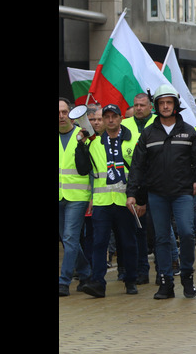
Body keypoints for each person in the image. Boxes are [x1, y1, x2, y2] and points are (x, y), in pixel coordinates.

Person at [127, 85, 196, 299]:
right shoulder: (148, 134)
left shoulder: (189, 132)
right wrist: (132, 193)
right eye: (161, 103)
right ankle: (165, 283)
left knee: (187, 233)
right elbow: (137, 165)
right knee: (161, 238)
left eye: (169, 102)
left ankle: (187, 277)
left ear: (175, 105)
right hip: (156, 194)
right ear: (156, 106)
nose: (165, 106)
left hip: (182, 193)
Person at [75, 104, 139, 296]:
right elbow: (82, 168)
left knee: (128, 243)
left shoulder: (133, 140)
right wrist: (81, 145)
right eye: (107, 117)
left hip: (125, 201)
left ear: (120, 118)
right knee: (99, 243)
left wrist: (138, 197)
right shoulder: (94, 143)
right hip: (102, 202)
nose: (110, 120)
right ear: (102, 120)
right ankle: (98, 283)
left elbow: (139, 171)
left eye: (114, 116)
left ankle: (130, 280)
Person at [59, 98, 92, 296]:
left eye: (64, 112)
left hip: (78, 195)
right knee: (67, 239)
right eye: (58, 112)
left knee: (70, 237)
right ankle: (86, 272)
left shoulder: (82, 135)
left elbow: (91, 167)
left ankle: (63, 281)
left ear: (70, 113)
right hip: (60, 196)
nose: (61, 116)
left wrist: (92, 196)